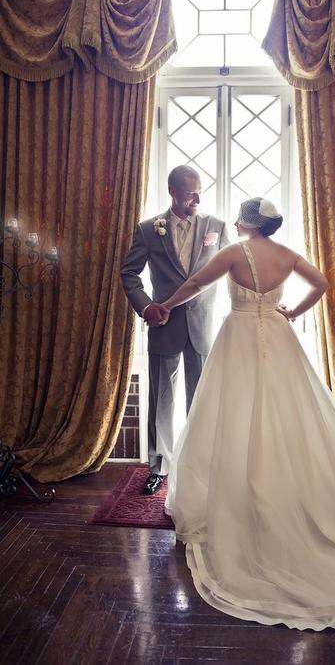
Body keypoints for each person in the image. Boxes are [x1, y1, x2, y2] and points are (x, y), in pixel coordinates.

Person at [158, 196, 335, 630]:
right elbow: (323, 283)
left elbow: (197, 283)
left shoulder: (235, 253)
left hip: (238, 338)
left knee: (233, 417)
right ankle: (278, 486)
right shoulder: (288, 254)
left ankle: (246, 498)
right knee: (283, 417)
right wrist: (292, 310)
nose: (234, 219)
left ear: (249, 223)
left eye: (239, 215)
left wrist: (164, 306)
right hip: (278, 334)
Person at [121, 165, 230, 494]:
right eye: (189, 192)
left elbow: (235, 270)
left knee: (201, 398)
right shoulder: (148, 230)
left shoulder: (217, 227)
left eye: (200, 191)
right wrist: (146, 306)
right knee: (161, 401)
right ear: (173, 192)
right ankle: (159, 466)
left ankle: (202, 464)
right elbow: (129, 274)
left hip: (203, 325)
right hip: (163, 325)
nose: (197, 198)